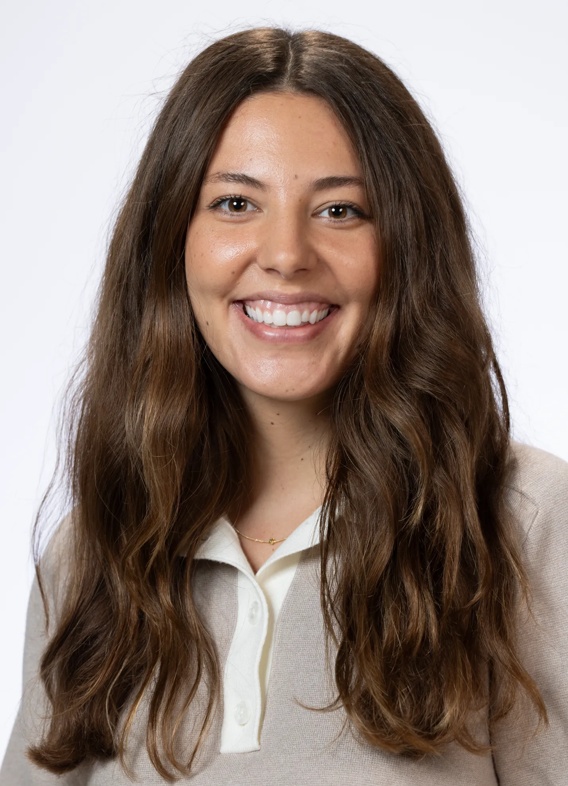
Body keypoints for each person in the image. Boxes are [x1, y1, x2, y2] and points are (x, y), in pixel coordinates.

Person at [1, 27, 567, 786]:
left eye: (340, 210)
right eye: (235, 202)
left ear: (407, 246)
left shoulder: (524, 523)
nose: (286, 254)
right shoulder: (92, 552)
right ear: (171, 242)